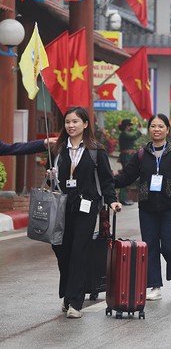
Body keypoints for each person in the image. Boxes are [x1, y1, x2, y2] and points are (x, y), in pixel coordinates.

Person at [115, 114, 171, 301]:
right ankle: (154, 285)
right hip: (148, 206)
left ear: (167, 130)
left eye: (161, 126)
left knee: (170, 244)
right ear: (149, 129)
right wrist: (107, 181)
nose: (156, 129)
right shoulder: (141, 154)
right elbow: (127, 177)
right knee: (150, 246)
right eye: (153, 126)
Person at [49, 107, 122, 318]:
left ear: (85, 124)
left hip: (87, 208)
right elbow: (50, 180)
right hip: (62, 206)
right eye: (67, 122)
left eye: (75, 122)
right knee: (62, 250)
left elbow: (107, 181)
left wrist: (112, 201)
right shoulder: (57, 150)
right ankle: (67, 291)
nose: (71, 126)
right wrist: (50, 175)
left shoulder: (96, 151)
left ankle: (75, 303)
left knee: (79, 252)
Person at [117, 119, 142, 206]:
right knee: (125, 177)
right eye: (129, 125)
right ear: (126, 126)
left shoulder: (125, 134)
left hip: (128, 157)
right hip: (126, 157)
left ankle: (124, 198)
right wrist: (139, 131)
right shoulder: (123, 135)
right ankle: (123, 198)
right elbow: (134, 137)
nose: (130, 127)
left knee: (127, 176)